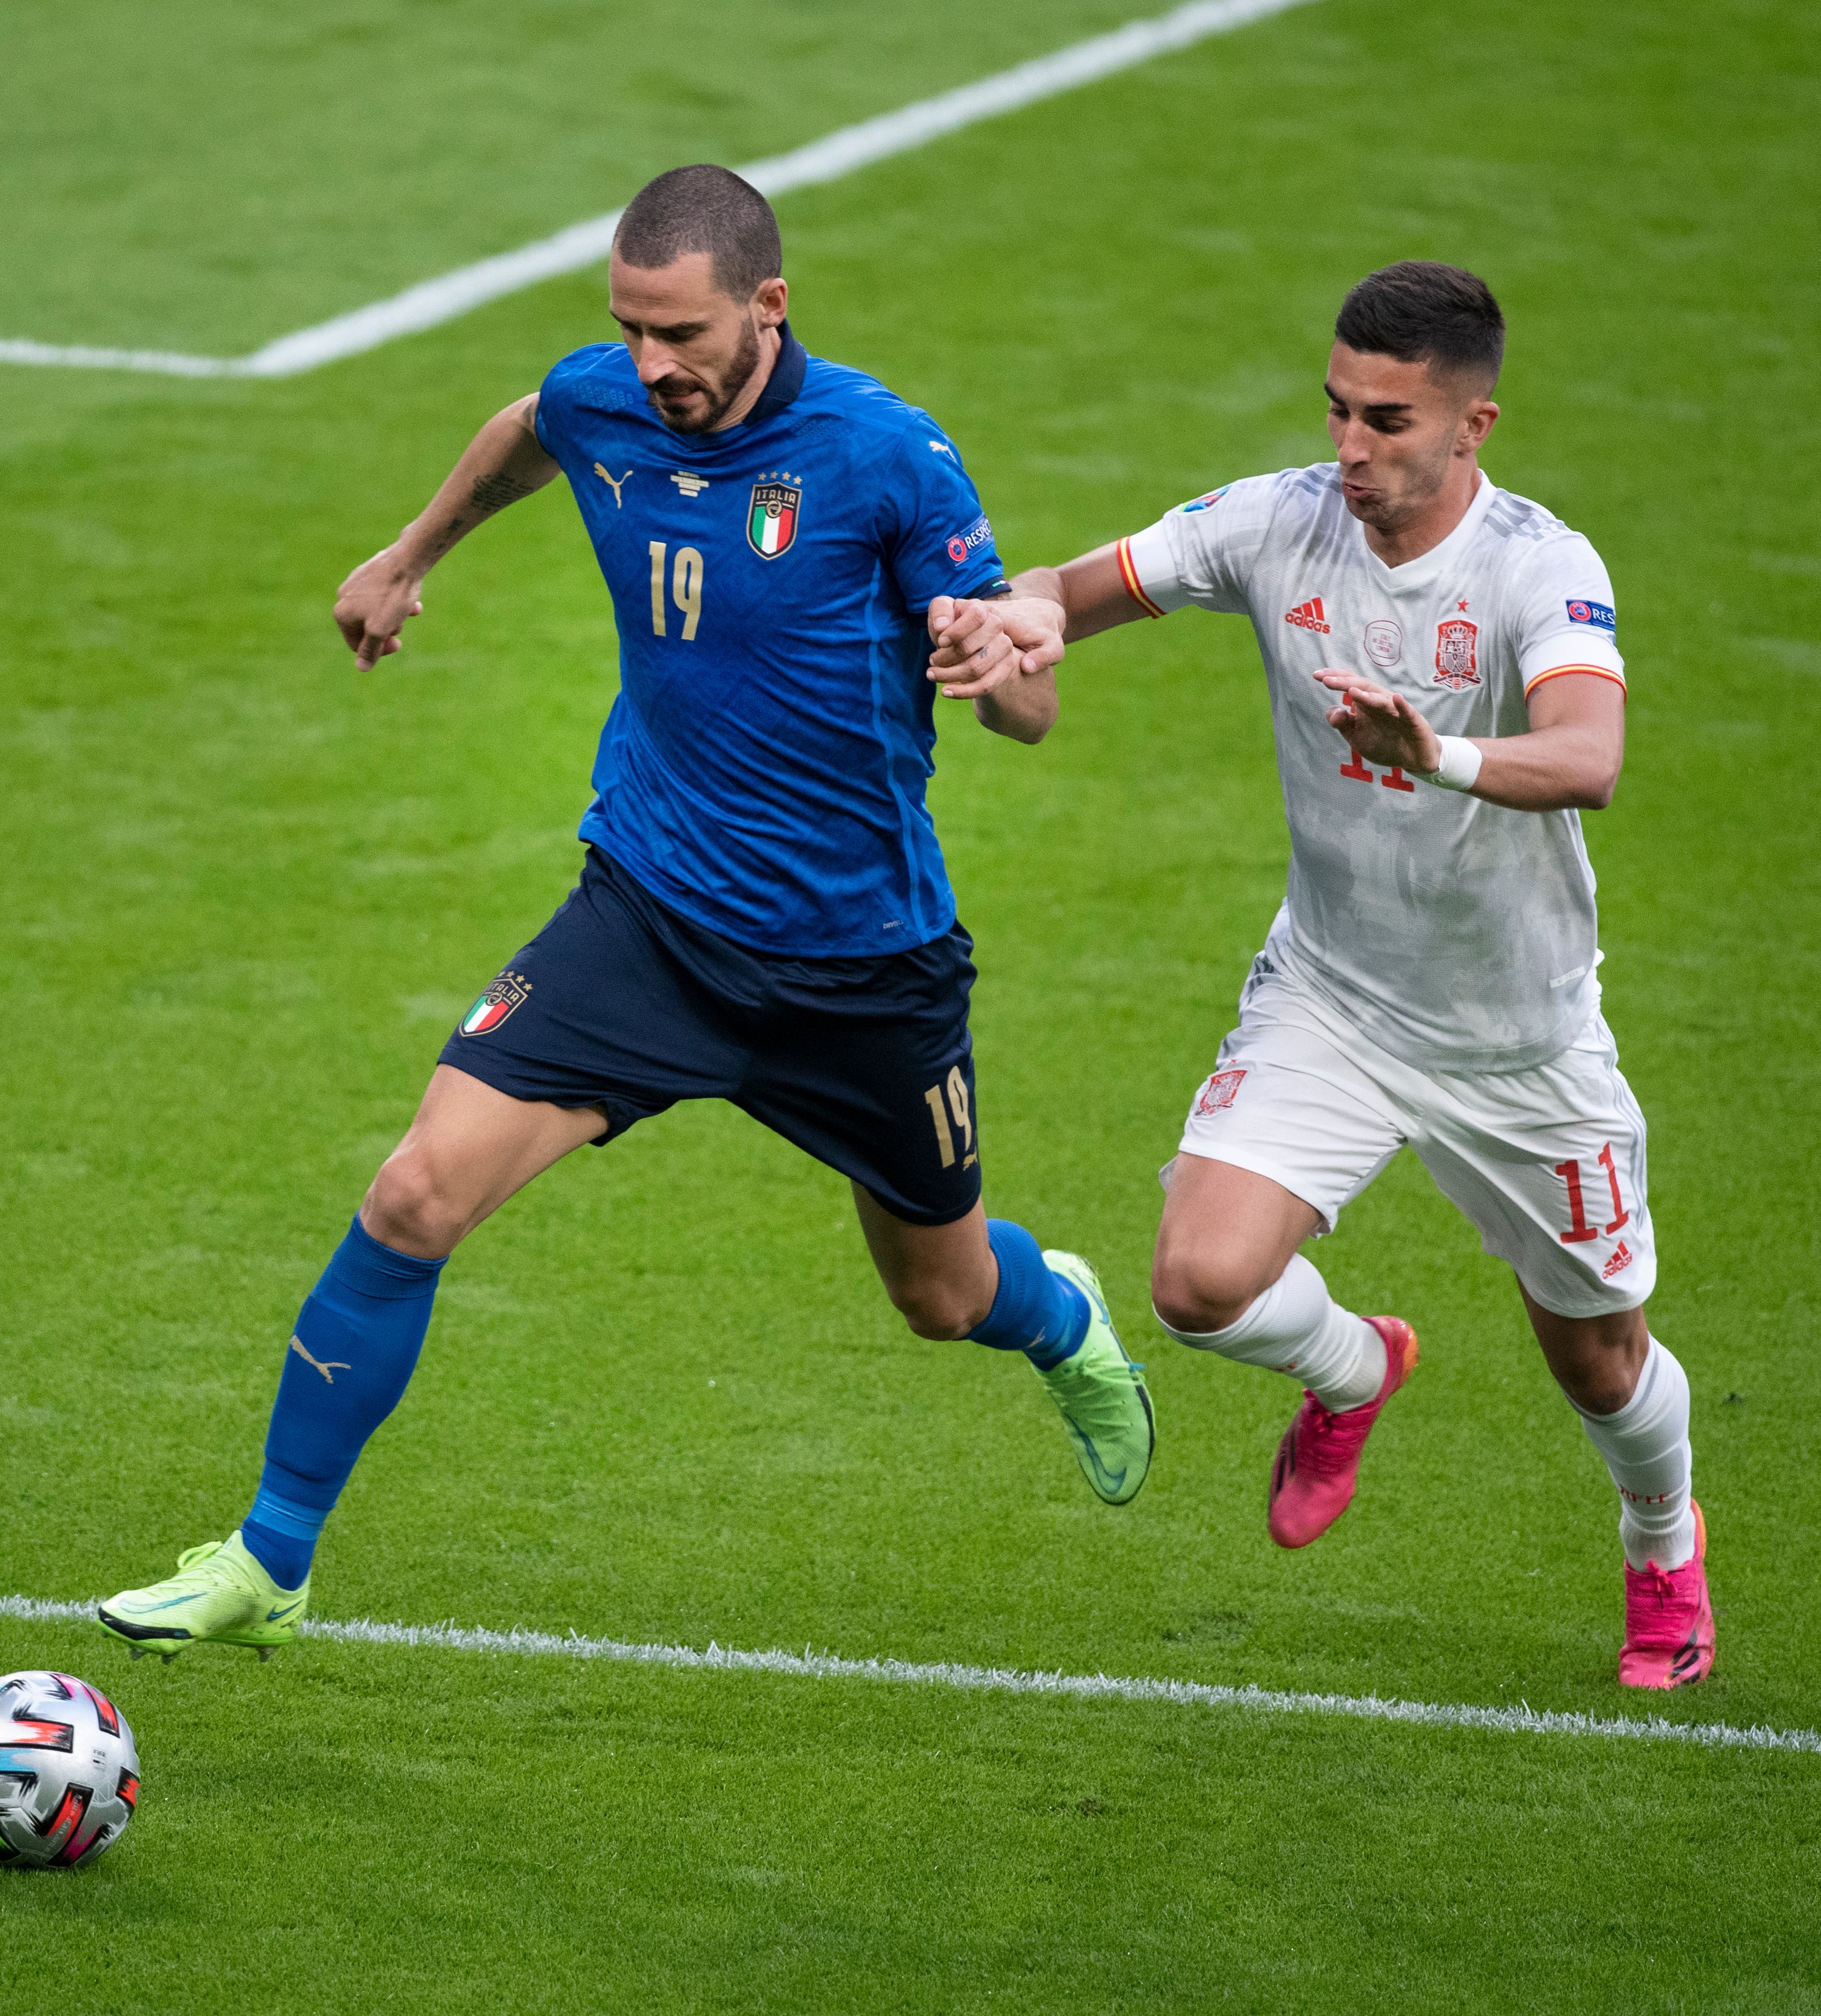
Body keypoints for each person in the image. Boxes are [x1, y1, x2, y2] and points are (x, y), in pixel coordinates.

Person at [96, 166, 1152, 1662]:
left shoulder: (884, 454)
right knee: (412, 1195)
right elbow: (532, 429)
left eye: (685, 333)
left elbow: (1030, 709)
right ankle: (271, 1559)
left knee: (941, 1292)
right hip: (644, 925)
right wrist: (408, 555)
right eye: (631, 329)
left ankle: (1064, 1322)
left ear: (768, 309)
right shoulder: (609, 401)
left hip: (862, 969)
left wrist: (997, 657)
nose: (655, 366)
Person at [934, 261, 1713, 1689]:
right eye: (1339, 410)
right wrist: (1027, 618)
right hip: (1333, 1001)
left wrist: (1442, 755)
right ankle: (1356, 1369)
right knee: (1197, 1281)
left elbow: (1589, 760)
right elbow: (1071, 585)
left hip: (1517, 1043)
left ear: (1475, 424)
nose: (1352, 448)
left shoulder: (1543, 566)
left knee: (1598, 1364)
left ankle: (1662, 1545)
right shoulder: (1276, 519)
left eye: (1391, 421)